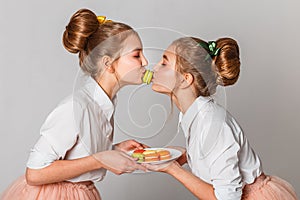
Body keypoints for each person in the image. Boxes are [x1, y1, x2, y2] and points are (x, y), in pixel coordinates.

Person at [1, 8, 149, 200]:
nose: (145, 62)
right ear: (108, 64)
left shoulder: (105, 103)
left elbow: (78, 152)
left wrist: (113, 151)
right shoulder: (76, 107)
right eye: (137, 55)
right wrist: (100, 159)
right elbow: (35, 173)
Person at [143, 37, 298, 199]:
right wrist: (180, 156)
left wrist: (173, 169)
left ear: (185, 79)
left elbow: (227, 198)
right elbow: (210, 156)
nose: (154, 68)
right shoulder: (193, 116)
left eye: (164, 63)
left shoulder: (212, 123)